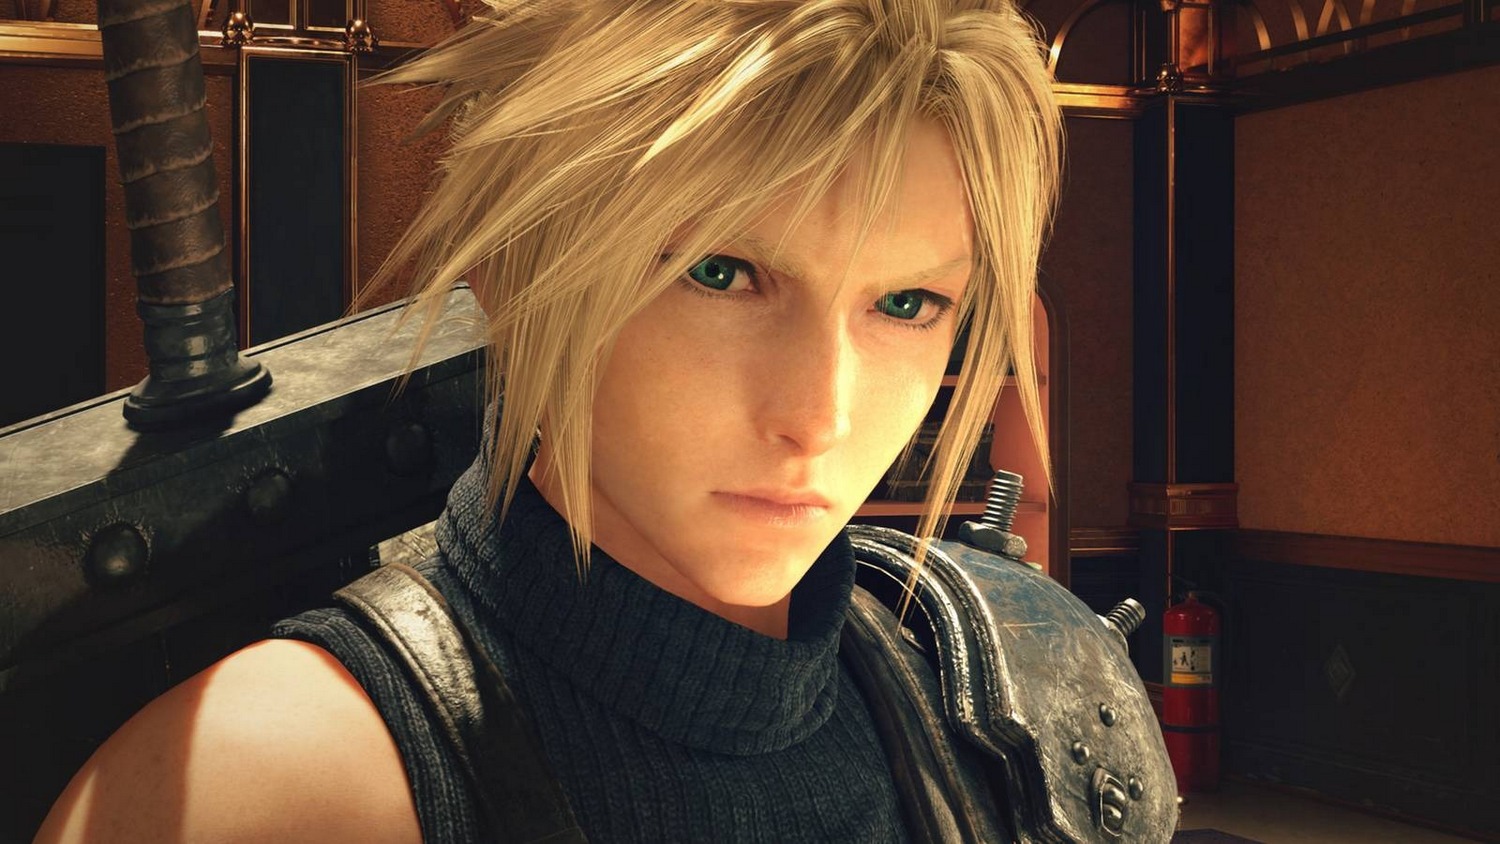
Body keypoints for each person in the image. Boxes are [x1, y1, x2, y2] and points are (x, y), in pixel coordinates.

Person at [34, 0, 1061, 840]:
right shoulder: (265, 788)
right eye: (720, 271)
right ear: (513, 265)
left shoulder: (1010, 698)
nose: (819, 417)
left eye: (906, 303)